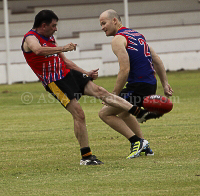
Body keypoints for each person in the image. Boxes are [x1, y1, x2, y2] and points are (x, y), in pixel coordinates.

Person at [21, 10, 151, 165]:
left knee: (101, 91)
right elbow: (38, 50)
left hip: (68, 74)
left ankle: (138, 114)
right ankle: (86, 156)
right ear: (44, 25)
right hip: (55, 83)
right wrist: (63, 47)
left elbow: (65, 61)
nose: (56, 29)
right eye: (54, 25)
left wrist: (85, 72)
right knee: (79, 114)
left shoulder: (49, 37)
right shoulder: (30, 38)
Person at [99, 9, 174, 156]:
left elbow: (124, 69)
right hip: (150, 84)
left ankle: (136, 141)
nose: (102, 27)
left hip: (137, 86)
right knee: (124, 113)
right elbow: (156, 59)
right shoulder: (137, 35)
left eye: (104, 23)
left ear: (114, 20)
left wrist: (113, 95)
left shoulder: (118, 39)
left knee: (105, 113)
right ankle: (143, 144)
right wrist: (165, 83)